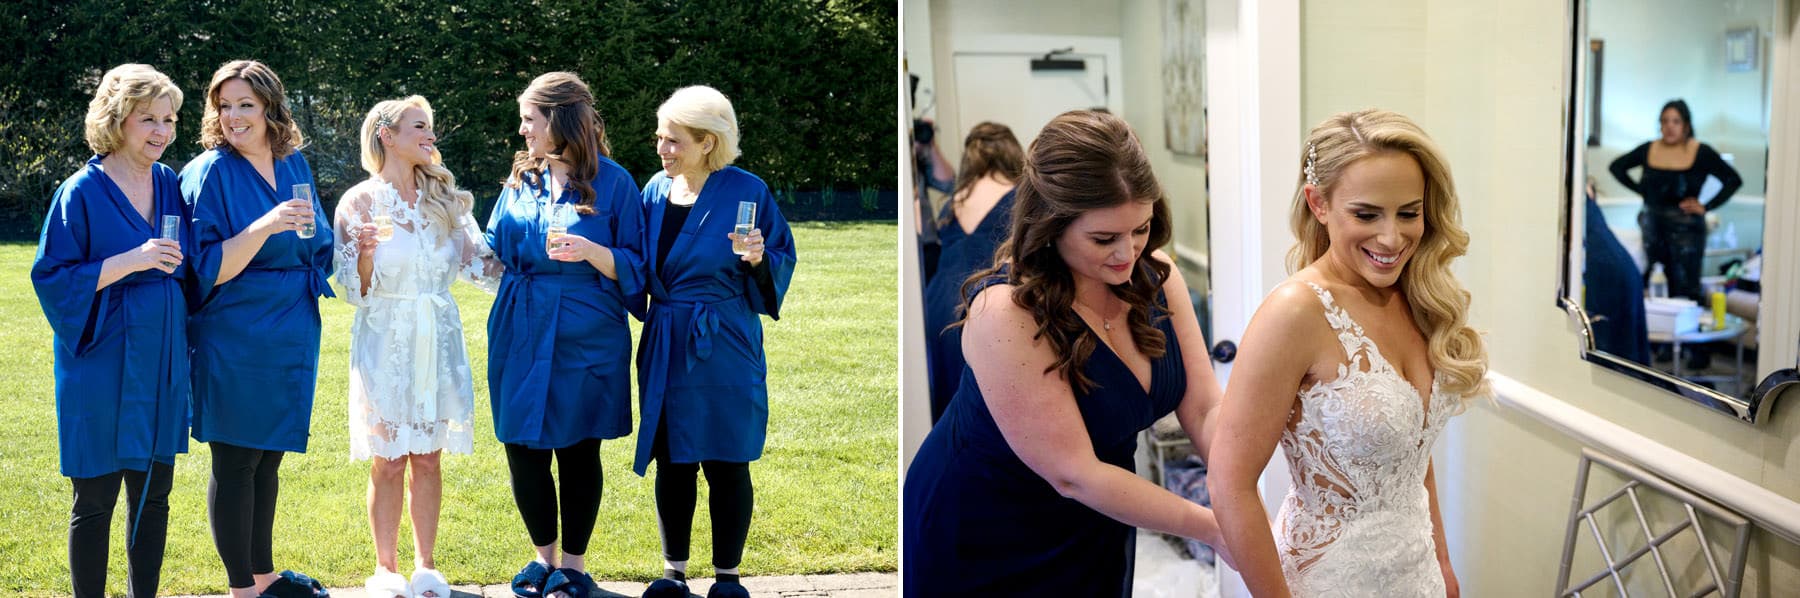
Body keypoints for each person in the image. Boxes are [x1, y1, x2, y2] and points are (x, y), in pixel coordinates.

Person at [902, 110, 1226, 596]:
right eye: (1104, 238)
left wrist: (1238, 490)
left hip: (1098, 510)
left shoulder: (1158, 276)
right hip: (983, 528)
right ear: (1051, 225)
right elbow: (1074, 474)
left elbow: (1203, 407)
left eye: (1140, 228)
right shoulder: (1006, 311)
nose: (1128, 252)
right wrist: (1212, 527)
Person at [1210, 109, 1488, 597]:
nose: (1391, 238)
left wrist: (1442, 564)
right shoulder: (1294, 312)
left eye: (1409, 212)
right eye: (1366, 214)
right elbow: (1229, 485)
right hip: (1327, 581)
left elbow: (1408, 453)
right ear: (1319, 203)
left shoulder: (1419, 299)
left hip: (1416, 572)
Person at [333, 96, 501, 598]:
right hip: (385, 339)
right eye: (419, 127)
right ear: (386, 135)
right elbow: (352, 291)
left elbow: (484, 267)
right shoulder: (358, 202)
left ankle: (427, 567)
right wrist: (363, 254)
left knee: (428, 457)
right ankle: (386, 570)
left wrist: (550, 271)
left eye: (431, 128)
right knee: (388, 458)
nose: (431, 136)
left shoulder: (444, 197)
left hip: (439, 337)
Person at [31, 63, 188, 598]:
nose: (162, 131)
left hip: (160, 359)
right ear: (118, 120)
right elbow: (52, 277)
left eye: (168, 119)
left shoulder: (169, 183)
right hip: (103, 357)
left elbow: (190, 266)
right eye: (148, 119)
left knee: (154, 495)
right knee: (95, 499)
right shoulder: (80, 191)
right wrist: (134, 259)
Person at [179, 59, 334, 598]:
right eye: (224, 106)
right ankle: (241, 587)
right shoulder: (209, 172)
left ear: (270, 106)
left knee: (268, 455)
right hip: (235, 328)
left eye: (245, 104)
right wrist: (265, 225)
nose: (233, 117)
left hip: (292, 323)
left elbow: (318, 238)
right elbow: (205, 267)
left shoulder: (293, 163)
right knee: (236, 455)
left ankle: (265, 575)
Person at [486, 72, 644, 598]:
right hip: (520, 323)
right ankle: (543, 560)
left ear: (560, 119)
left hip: (587, 327)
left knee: (578, 447)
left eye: (530, 118)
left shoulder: (615, 182)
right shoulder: (520, 180)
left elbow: (640, 268)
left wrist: (593, 253)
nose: (523, 129)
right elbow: (491, 248)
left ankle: (573, 568)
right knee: (521, 445)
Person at [636, 85, 797, 598]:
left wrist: (757, 258)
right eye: (660, 138)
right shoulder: (654, 193)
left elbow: (780, 258)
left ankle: (727, 577)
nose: (662, 149)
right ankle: (673, 573)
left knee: (727, 459)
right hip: (667, 338)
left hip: (724, 340)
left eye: (674, 140)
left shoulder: (748, 190)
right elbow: (634, 262)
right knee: (672, 458)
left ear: (708, 142)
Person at [921, 122, 1023, 422]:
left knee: (950, 408)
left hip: (938, 305)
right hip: (982, 303)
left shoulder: (956, 199)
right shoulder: (1019, 198)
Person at [1607, 99, 1742, 305]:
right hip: (1653, 226)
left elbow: (1733, 180)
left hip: (1686, 229)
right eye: (1665, 121)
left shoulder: (1701, 152)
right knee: (1656, 279)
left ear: (1686, 125)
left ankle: (1685, 332)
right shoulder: (1648, 149)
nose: (1669, 126)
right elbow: (1617, 167)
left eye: (1675, 121)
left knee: (1684, 285)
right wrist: (1642, 191)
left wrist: (1706, 207)